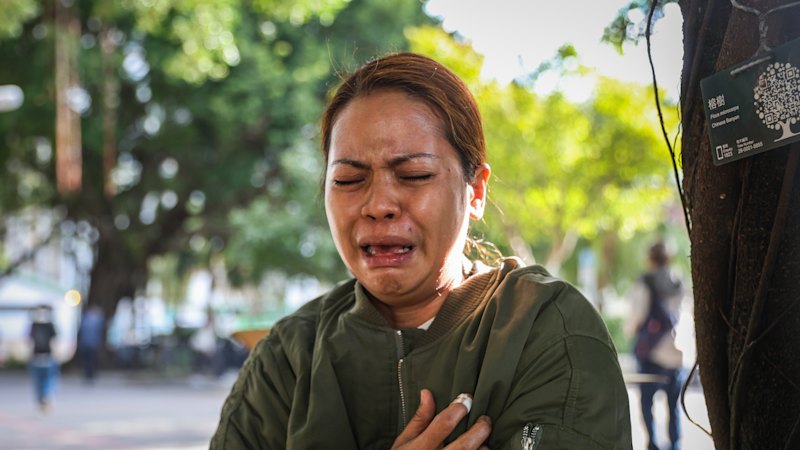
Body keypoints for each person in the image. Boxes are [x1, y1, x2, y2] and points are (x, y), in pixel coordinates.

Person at [211, 52, 632, 449]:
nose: (378, 206)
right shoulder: (287, 359)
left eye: (414, 174)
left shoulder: (544, 330)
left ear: (476, 190)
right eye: (349, 180)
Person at [625, 241, 685, 450]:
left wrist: (630, 332)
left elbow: (635, 317)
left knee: (647, 404)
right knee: (673, 405)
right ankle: (675, 444)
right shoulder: (679, 281)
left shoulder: (646, 282)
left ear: (650, 259)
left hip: (650, 353)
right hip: (676, 353)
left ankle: (653, 443)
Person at [29, 304, 58, 413]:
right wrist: (55, 355)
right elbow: (53, 342)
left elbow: (30, 342)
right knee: (49, 379)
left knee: (38, 380)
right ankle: (46, 397)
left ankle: (40, 401)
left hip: (36, 356)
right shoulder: (50, 325)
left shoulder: (34, 325)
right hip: (47, 356)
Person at [77, 304, 105, 383]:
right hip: (92, 343)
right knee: (91, 359)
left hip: (86, 342)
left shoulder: (85, 318)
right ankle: (90, 374)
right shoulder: (97, 319)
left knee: (88, 360)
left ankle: (88, 374)